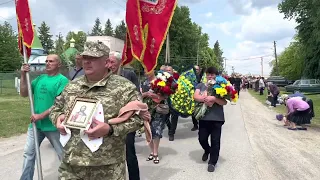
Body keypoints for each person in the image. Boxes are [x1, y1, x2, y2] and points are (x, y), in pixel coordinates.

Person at [49, 41, 144, 180]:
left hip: (107, 168)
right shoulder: (72, 86)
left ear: (106, 62)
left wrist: (110, 129)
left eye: (93, 58)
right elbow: (55, 109)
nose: (87, 62)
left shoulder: (124, 87)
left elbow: (140, 118)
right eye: (85, 58)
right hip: (72, 165)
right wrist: (57, 119)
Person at [19, 54, 69, 180]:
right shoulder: (40, 79)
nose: (47, 63)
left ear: (59, 64)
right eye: (46, 61)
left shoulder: (62, 81)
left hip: (53, 125)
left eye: (51, 61)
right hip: (36, 125)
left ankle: (68, 177)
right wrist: (23, 75)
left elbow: (59, 103)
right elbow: (24, 93)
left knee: (62, 155)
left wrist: (41, 115)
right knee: (28, 154)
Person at [107, 51, 140, 180]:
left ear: (120, 62)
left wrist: (125, 115)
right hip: (108, 122)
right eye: (107, 62)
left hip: (126, 121)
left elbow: (136, 97)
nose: (109, 65)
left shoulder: (129, 75)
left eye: (112, 62)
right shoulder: (104, 77)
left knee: (129, 153)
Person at [193, 66, 227, 172]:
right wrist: (206, 98)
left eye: (212, 74)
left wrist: (214, 99)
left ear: (216, 75)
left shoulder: (221, 87)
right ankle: (207, 150)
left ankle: (212, 162)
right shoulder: (201, 85)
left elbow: (224, 102)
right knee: (202, 139)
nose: (210, 76)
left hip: (217, 118)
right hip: (204, 118)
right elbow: (195, 96)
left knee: (215, 141)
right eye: (208, 74)